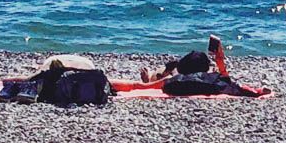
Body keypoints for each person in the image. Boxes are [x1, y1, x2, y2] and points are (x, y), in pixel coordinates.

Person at [112, 34, 262, 97]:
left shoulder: (178, 77)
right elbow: (247, 90)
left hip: (176, 84)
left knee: (138, 86)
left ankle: (108, 83)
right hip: (207, 86)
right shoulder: (219, 79)